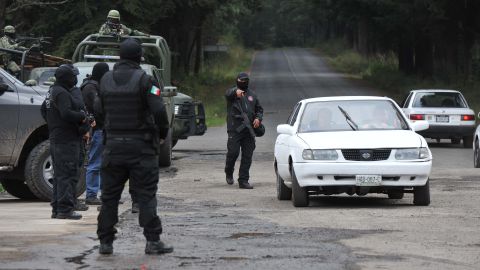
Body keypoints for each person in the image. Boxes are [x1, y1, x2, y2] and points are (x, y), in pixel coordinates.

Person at [94, 38, 172, 255]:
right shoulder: (146, 81)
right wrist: (163, 133)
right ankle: (153, 241)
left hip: (113, 148)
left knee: (109, 197)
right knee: (146, 195)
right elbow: (158, 111)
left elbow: (97, 109)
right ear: (139, 57)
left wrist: (108, 129)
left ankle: (105, 243)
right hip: (141, 148)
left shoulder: (105, 80)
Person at [41, 64, 87, 220]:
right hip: (66, 139)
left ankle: (57, 208)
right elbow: (66, 113)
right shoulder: (62, 93)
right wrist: (82, 117)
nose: (75, 79)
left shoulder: (52, 91)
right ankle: (66, 210)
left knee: (60, 174)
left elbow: (43, 110)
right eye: (73, 76)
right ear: (67, 78)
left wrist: (54, 125)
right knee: (67, 173)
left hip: (56, 137)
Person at [224, 72, 263, 189]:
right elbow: (228, 94)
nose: (242, 83)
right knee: (233, 153)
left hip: (248, 130)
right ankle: (229, 171)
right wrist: (235, 93)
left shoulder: (253, 95)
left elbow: (259, 109)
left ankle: (243, 180)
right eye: (240, 81)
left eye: (244, 81)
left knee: (247, 156)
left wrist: (258, 119)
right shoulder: (232, 93)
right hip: (234, 129)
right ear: (237, 81)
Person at [81, 62, 109, 205]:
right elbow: (97, 108)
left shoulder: (95, 85)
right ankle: (91, 195)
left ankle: (105, 194)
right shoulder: (91, 87)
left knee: (105, 164)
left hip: (102, 128)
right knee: (95, 163)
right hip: (97, 129)